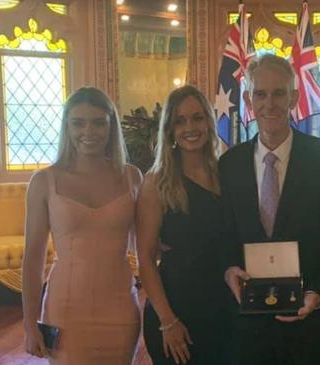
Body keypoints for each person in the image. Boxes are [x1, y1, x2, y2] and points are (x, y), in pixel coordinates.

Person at [220, 54, 320, 365]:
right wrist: (228, 269)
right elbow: (223, 235)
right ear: (249, 101)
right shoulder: (229, 164)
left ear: (293, 97)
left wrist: (318, 293)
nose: (270, 104)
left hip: (310, 325)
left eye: (279, 93)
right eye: (260, 94)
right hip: (248, 328)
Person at [22, 87, 142, 364]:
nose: (89, 131)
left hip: (121, 308)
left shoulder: (131, 177)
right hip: (66, 311)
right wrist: (30, 324)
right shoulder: (44, 181)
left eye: (99, 122)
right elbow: (32, 259)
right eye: (79, 123)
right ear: (67, 126)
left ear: (111, 126)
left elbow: (146, 244)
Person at [136, 85, 231, 365]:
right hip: (176, 312)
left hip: (223, 309)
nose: (190, 127)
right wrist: (168, 321)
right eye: (180, 120)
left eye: (198, 118)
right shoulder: (157, 182)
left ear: (209, 122)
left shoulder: (225, 173)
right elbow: (145, 258)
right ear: (170, 129)